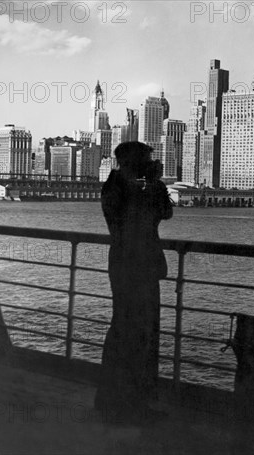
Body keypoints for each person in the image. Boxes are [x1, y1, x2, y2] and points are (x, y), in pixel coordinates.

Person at [94, 141, 173, 424]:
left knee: (134, 331)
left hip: (132, 266)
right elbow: (144, 214)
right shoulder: (122, 186)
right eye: (146, 159)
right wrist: (152, 183)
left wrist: (154, 184)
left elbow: (165, 211)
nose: (150, 163)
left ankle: (122, 401)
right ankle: (127, 403)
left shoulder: (131, 184)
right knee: (133, 332)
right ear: (132, 161)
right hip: (134, 266)